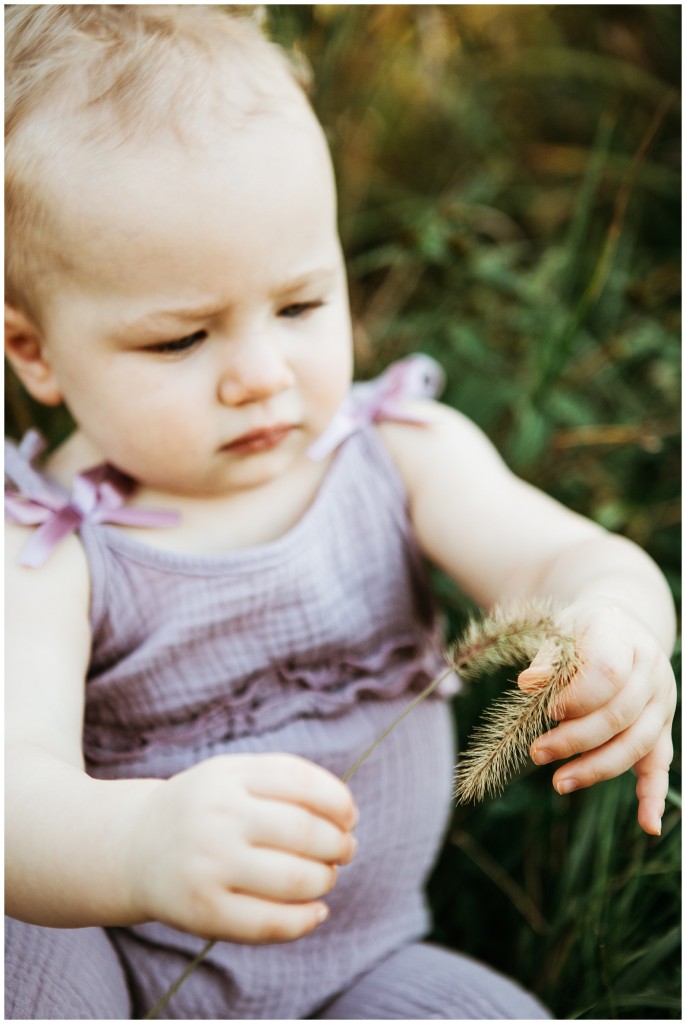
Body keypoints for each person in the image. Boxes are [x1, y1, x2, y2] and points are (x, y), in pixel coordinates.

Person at [4, 5, 676, 1021]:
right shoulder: (49, 543)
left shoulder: (398, 453)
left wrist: (613, 623)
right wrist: (139, 849)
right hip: (107, 957)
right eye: (181, 339)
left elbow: (564, 557)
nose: (260, 376)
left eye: (300, 305)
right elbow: (14, 795)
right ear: (36, 352)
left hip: (351, 964)